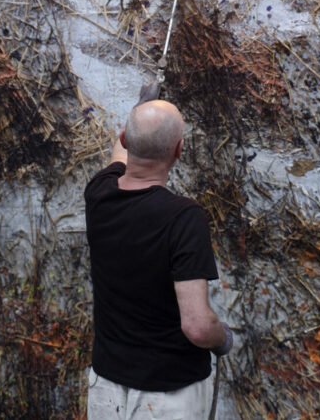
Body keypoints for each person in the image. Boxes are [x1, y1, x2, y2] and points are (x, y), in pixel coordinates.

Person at [84, 99, 232, 419]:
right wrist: (223, 339)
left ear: (124, 137)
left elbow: (118, 156)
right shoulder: (183, 218)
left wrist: (142, 102)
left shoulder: (98, 193)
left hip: (105, 386)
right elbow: (197, 326)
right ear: (179, 150)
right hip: (167, 396)